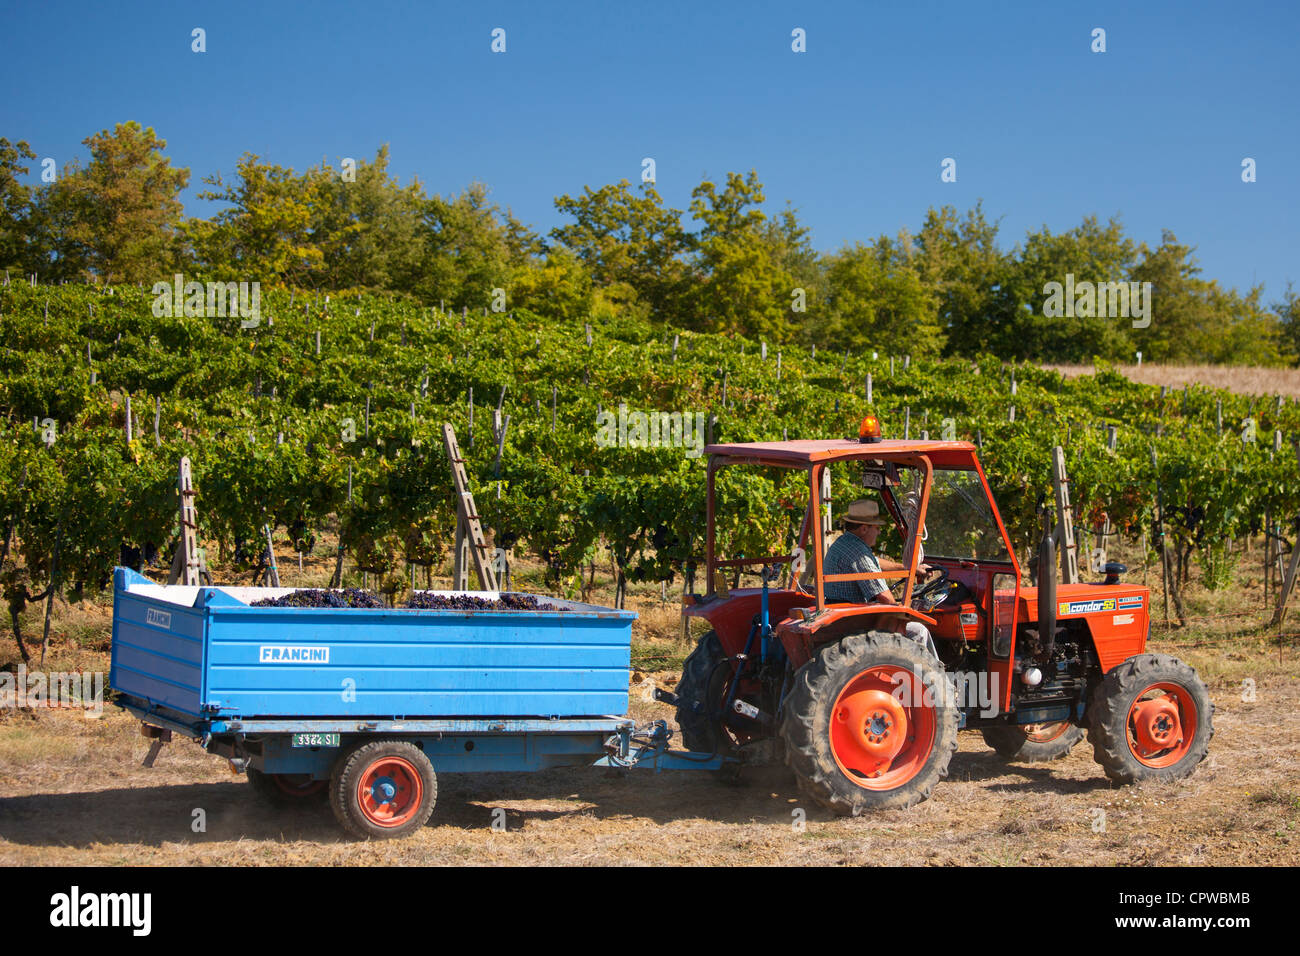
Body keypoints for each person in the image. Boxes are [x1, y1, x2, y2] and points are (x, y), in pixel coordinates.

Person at [822, 498, 939, 659]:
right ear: (864, 528)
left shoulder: (845, 542)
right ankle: (932, 680)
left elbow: (874, 562)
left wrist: (909, 568)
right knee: (918, 631)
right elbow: (885, 597)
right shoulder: (859, 553)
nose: (879, 532)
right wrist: (904, 611)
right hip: (855, 622)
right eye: (876, 528)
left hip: (841, 612)